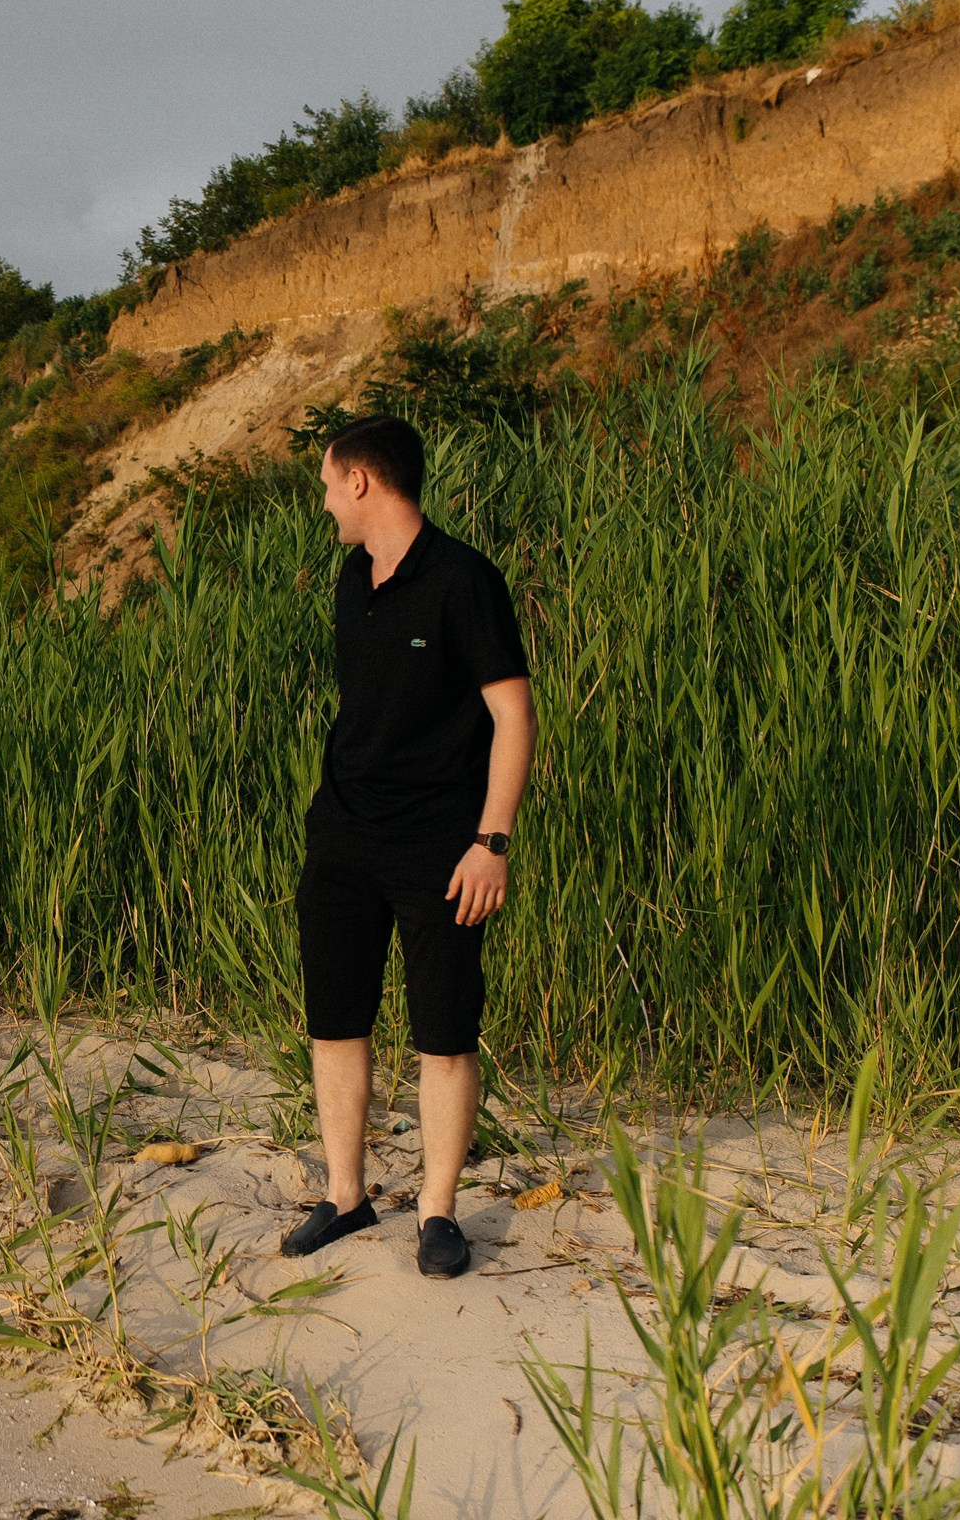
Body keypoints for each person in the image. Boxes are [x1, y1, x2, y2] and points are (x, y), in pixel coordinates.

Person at [277, 415, 535, 1280]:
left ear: (360, 480)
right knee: (335, 1021)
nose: (324, 502)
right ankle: (345, 1196)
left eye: (327, 485)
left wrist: (491, 841)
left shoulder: (464, 580)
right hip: (344, 835)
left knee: (445, 1034)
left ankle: (437, 1212)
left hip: (441, 848)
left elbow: (513, 717)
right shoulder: (354, 576)